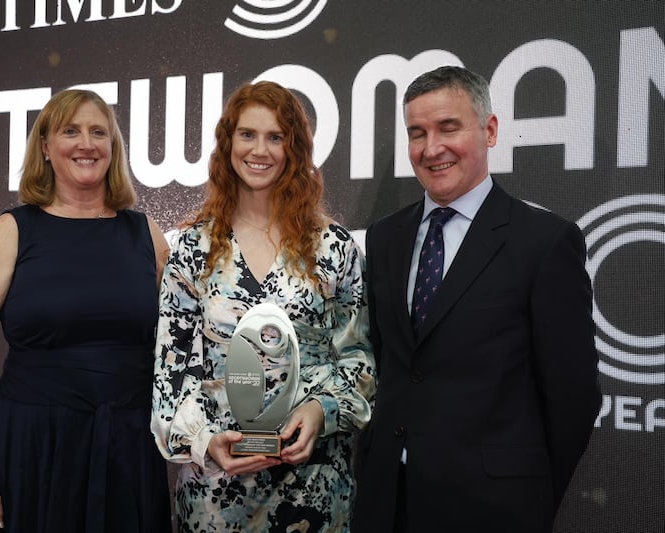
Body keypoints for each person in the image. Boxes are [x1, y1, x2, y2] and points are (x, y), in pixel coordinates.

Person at [352, 66, 601, 533]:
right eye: (417, 133)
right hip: (385, 505)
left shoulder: (544, 242)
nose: (432, 148)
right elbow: (389, 367)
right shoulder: (386, 238)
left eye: (449, 127)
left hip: (492, 510)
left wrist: (529, 498)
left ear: (489, 130)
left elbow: (574, 397)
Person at [0, 89, 172, 533]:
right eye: (71, 131)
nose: (86, 143)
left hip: (126, 452)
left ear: (113, 147)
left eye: (98, 132)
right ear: (45, 147)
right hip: (31, 453)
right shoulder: (11, 231)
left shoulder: (146, 234)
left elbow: (186, 347)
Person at [151, 80, 376, 532]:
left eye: (276, 137)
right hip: (215, 495)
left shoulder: (333, 247)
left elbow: (358, 363)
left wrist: (322, 412)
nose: (261, 150)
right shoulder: (193, 250)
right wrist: (205, 441)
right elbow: (170, 376)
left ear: (295, 148)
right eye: (248, 134)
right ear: (227, 143)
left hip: (314, 488)